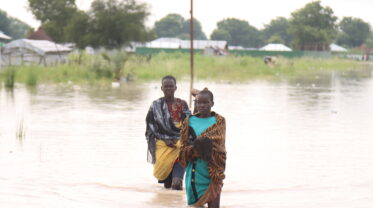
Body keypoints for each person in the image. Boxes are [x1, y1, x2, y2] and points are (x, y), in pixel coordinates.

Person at [179, 88, 226, 207]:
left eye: (206, 102)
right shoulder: (189, 121)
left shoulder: (219, 121)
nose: (202, 105)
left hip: (213, 171)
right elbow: (183, 147)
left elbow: (220, 148)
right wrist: (196, 148)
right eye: (199, 102)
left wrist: (205, 145)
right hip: (195, 171)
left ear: (212, 104)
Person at [145, 75, 191, 190]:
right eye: (166, 87)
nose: (168, 89)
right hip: (163, 148)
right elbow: (150, 128)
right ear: (161, 88)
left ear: (176, 88)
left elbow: (189, 124)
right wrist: (165, 139)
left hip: (180, 147)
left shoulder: (182, 104)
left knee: (177, 184)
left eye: (171, 86)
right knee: (168, 186)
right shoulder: (155, 105)